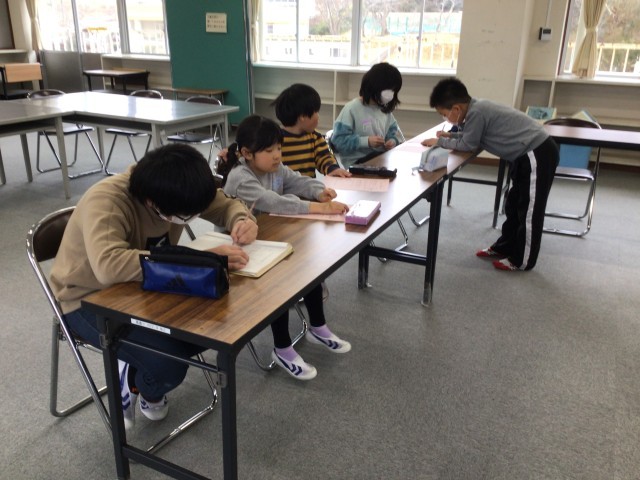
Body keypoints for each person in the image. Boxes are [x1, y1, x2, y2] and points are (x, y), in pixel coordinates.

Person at [49, 144, 258, 429]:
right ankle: (137, 383)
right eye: (185, 216)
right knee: (170, 365)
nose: (189, 219)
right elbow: (109, 266)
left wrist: (242, 220)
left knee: (214, 330)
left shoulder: (178, 187)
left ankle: (134, 365)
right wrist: (199, 260)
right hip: (86, 299)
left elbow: (226, 204)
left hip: (147, 287)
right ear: (150, 202)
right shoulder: (109, 200)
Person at [218, 114, 351, 380]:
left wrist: (318, 191)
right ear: (247, 153)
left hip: (268, 240)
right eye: (269, 151)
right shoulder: (241, 177)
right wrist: (319, 208)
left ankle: (318, 327)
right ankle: (282, 349)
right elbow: (272, 201)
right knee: (280, 281)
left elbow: (297, 180)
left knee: (308, 265)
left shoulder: (274, 168)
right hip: (237, 252)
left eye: (278, 148)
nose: (277, 155)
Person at [422, 77, 559, 271]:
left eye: (444, 114)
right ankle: (505, 247)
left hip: (536, 153)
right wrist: (451, 135)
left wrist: (439, 142)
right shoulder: (475, 109)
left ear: (457, 109)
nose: (445, 119)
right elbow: (472, 135)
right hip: (523, 155)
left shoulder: (477, 112)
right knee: (513, 204)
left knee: (529, 210)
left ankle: (522, 260)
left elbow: (468, 144)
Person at [331, 62, 405, 168]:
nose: (391, 94)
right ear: (374, 86)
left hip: (380, 158)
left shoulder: (384, 109)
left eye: (394, 91)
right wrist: (366, 141)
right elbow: (338, 141)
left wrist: (392, 141)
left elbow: (393, 133)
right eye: (389, 90)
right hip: (357, 163)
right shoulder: (352, 108)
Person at [272, 83, 351, 178]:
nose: (318, 116)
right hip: (283, 186)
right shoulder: (276, 140)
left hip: (309, 186)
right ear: (303, 116)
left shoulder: (314, 137)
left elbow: (324, 157)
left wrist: (332, 168)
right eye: (316, 112)